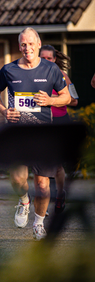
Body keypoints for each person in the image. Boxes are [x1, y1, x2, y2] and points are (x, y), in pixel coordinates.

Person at [0, 27, 71, 240]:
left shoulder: (51, 70)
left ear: (38, 43)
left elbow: (67, 97)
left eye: (31, 44)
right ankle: (24, 200)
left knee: (43, 183)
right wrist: (5, 111)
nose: (27, 48)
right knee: (18, 180)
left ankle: (39, 222)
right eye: (23, 44)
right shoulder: (9, 70)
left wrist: (51, 101)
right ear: (19, 46)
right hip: (17, 133)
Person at [39, 45, 78, 214]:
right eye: (43, 58)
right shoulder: (34, 76)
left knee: (56, 166)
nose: (46, 61)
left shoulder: (63, 76)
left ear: (55, 60)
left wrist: (52, 99)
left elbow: (75, 100)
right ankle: (42, 204)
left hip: (60, 122)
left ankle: (60, 194)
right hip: (41, 122)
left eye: (50, 58)